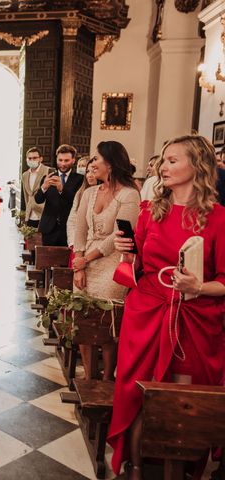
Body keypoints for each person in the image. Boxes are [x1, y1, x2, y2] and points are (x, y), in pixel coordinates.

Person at [107, 135, 225, 479]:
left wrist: (198, 286)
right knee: (139, 393)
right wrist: (127, 251)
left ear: (197, 165)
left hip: (195, 319)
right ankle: (137, 467)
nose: (163, 167)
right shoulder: (149, 211)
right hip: (146, 314)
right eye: (163, 160)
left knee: (181, 400)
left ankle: (183, 469)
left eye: (173, 160)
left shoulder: (218, 218)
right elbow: (137, 265)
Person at [72, 142, 140, 381]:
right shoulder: (89, 193)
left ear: (110, 163)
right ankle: (89, 378)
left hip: (113, 265)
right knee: (83, 320)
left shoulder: (129, 194)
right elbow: (80, 229)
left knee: (108, 324)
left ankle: (106, 379)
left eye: (96, 159)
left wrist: (87, 259)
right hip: (85, 262)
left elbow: (120, 235)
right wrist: (79, 262)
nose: (92, 164)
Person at [34, 144, 84, 246]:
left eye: (66, 160)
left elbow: (78, 201)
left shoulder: (80, 179)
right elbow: (38, 200)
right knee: (47, 260)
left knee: (66, 261)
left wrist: (62, 189)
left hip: (68, 229)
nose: (63, 164)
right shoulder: (48, 177)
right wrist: (44, 187)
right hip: (48, 228)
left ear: (73, 160)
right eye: (60, 160)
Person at [66, 158, 96, 248]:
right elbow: (72, 220)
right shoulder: (81, 192)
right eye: (87, 171)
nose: (89, 175)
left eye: (93, 172)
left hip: (94, 244)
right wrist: (72, 242)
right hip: (78, 244)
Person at [20, 147, 50, 228]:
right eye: (29, 158)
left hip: (44, 213)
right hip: (30, 215)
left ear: (40, 159)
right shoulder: (25, 175)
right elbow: (26, 196)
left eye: (35, 158)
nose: (32, 160)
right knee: (30, 240)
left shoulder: (48, 171)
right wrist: (27, 211)